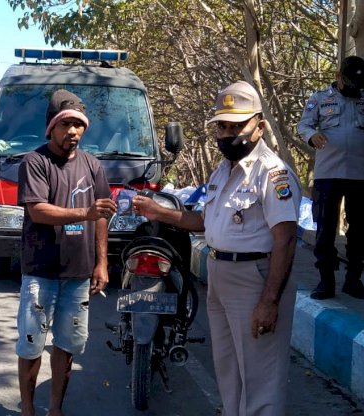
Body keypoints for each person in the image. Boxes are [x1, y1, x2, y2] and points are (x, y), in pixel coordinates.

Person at [133, 81, 301, 416]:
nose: (227, 133)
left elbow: (285, 239)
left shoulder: (273, 173)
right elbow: (206, 223)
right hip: (219, 276)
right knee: (228, 369)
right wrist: (160, 212)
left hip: (255, 278)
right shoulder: (223, 171)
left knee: (259, 377)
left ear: (260, 125)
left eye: (237, 126)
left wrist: (269, 302)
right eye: (222, 126)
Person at [16, 89, 117, 416]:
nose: (72, 131)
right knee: (31, 345)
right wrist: (84, 213)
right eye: (65, 124)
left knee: (68, 345)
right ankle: (29, 409)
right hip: (40, 272)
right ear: (51, 127)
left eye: (78, 124)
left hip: (78, 276)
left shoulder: (93, 166)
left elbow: (101, 215)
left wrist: (101, 263)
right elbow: (38, 212)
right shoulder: (35, 162)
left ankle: (55, 409)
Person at [297, 55, 364, 300]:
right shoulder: (319, 98)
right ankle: (325, 281)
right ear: (339, 77)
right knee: (325, 228)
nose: (353, 88)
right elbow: (304, 125)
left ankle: (354, 280)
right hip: (328, 174)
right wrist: (311, 136)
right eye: (349, 81)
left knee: (359, 230)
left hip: (359, 175)